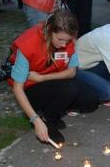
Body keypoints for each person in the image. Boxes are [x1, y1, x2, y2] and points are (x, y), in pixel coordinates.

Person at [8, 10, 99, 144]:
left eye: (67, 40)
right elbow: (17, 89)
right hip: (30, 90)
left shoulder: (68, 40)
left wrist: (41, 78)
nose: (63, 44)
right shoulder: (28, 44)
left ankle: (52, 111)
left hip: (47, 81)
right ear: (49, 30)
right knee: (70, 87)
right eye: (60, 39)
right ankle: (47, 120)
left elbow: (72, 72)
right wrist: (35, 120)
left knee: (90, 101)